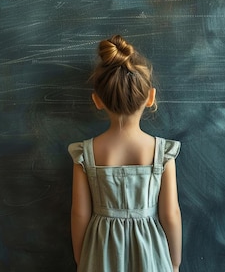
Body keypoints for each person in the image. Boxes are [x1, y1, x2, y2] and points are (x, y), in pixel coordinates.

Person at [68, 35, 182, 272]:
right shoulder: (162, 154)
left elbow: (79, 214)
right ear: (151, 97)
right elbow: (170, 214)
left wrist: (82, 259)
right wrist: (174, 262)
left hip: (100, 254)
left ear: (97, 101)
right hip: (151, 254)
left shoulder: (85, 154)